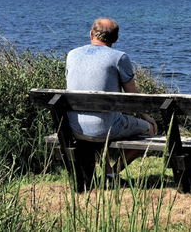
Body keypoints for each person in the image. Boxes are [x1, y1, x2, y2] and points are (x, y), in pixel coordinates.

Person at [65, 18, 157, 187]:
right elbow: (133, 97)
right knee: (149, 129)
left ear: (91, 34)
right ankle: (112, 174)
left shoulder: (72, 54)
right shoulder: (119, 58)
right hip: (103, 129)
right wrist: (146, 117)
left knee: (106, 122)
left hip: (74, 127)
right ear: (115, 38)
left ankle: (107, 171)